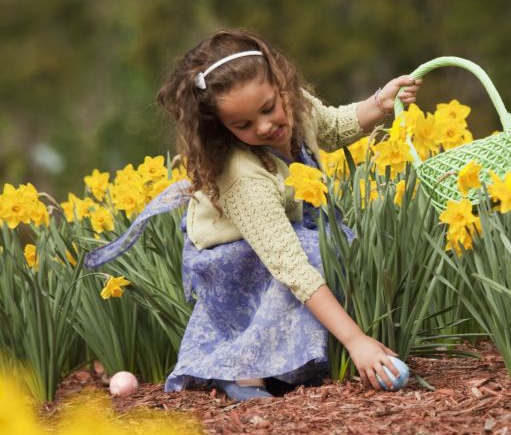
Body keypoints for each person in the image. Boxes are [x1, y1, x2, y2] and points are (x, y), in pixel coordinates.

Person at [97, 29, 422, 402]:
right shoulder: (242, 175)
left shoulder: (294, 106)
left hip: (283, 237)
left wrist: (381, 102)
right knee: (310, 255)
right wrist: (356, 341)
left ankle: (295, 365)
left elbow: (330, 126)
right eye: (243, 125)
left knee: (330, 249)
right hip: (231, 261)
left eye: (268, 108)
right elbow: (289, 265)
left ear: (281, 84)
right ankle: (245, 371)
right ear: (222, 128)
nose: (264, 126)